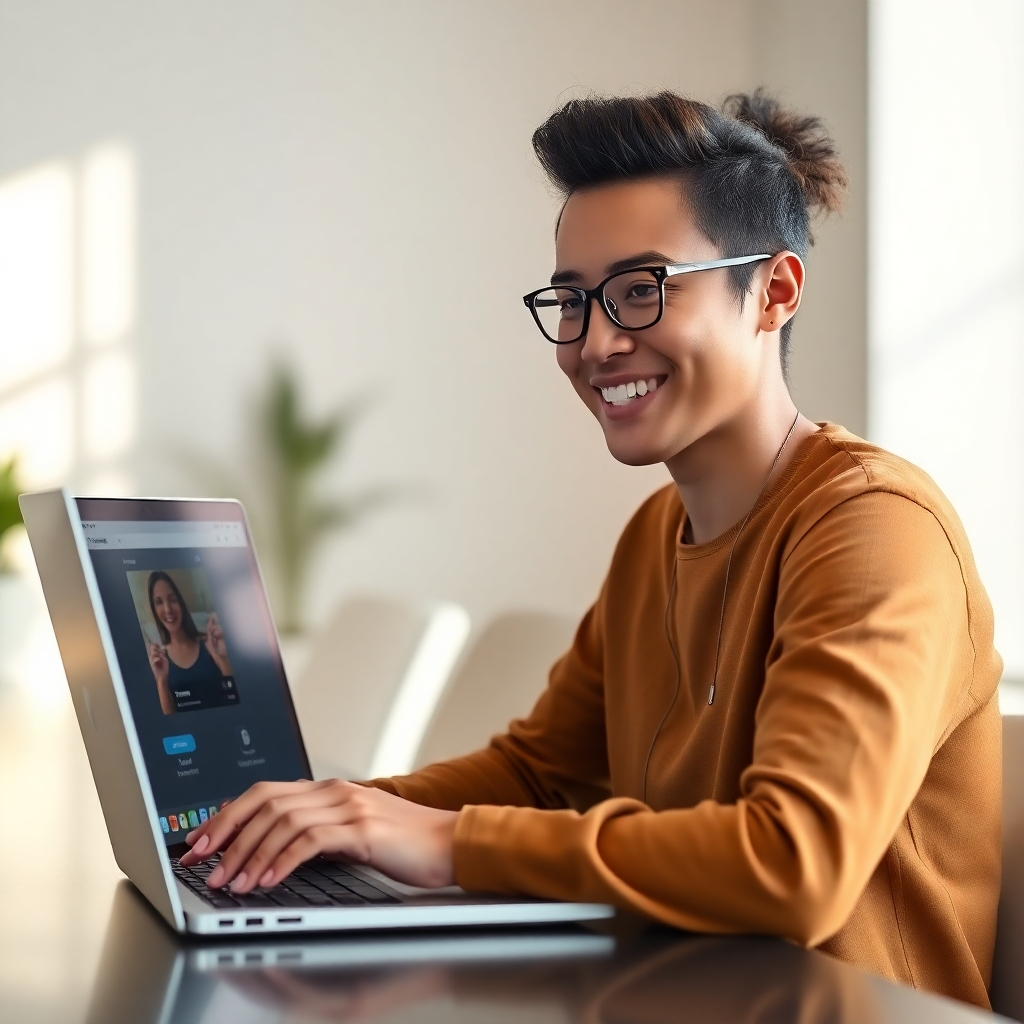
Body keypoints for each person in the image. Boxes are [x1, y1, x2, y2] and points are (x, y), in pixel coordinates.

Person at [180, 91, 1002, 1008]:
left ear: (772, 293)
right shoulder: (657, 534)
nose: (597, 341)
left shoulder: (875, 527)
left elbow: (794, 864)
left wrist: (435, 841)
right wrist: (329, 818)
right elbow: (538, 776)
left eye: (641, 290)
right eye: (571, 300)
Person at [146, 570, 235, 714]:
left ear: (181, 603)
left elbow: (234, 698)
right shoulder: (159, 663)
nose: (168, 609)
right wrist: (161, 680)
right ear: (154, 609)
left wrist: (221, 659)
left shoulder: (210, 645)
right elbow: (170, 722)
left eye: (172, 599)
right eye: (159, 602)